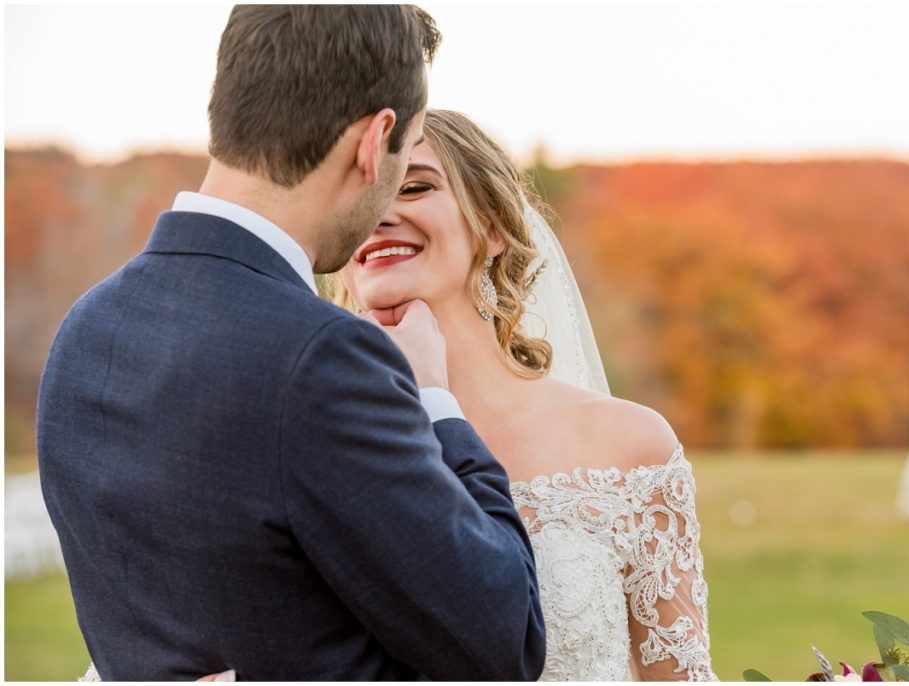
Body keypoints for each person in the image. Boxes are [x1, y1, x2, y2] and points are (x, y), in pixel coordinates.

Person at [37, 7, 544, 681]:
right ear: (375, 141)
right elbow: (505, 639)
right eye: (407, 155)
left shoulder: (85, 331)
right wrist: (435, 401)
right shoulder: (321, 358)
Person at [333, 108, 716, 681]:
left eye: (413, 186)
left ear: (492, 226)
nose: (381, 214)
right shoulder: (317, 447)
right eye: (360, 199)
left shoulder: (629, 446)